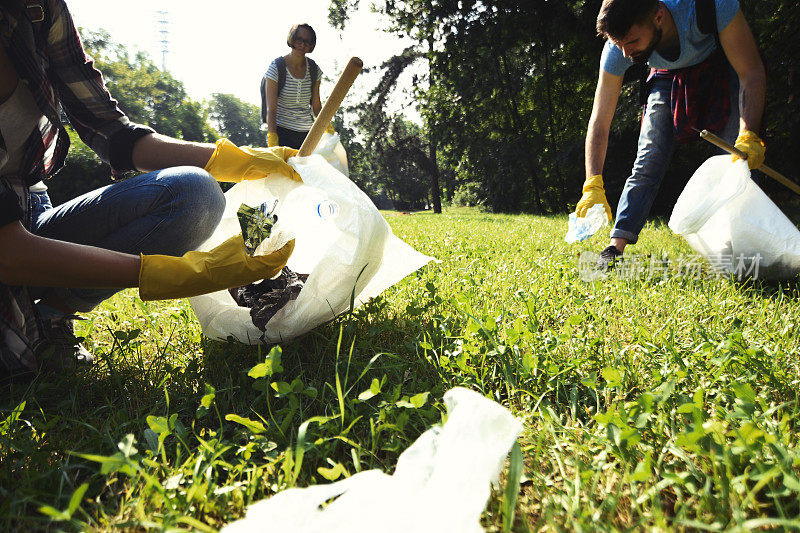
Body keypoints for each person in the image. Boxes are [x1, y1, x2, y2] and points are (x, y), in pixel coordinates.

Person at [0, 0, 301, 380]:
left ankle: (48, 316)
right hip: (8, 242)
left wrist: (235, 159)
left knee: (195, 194)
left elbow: (116, 134)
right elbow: (8, 253)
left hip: (32, 211)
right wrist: (176, 274)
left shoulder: (39, 11)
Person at [575, 0, 767, 268]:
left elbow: (751, 71)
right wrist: (592, 182)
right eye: (620, 45)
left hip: (721, 64)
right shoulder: (619, 46)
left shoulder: (712, 6)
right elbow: (600, 119)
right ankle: (614, 248)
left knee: (737, 157)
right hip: (667, 76)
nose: (626, 53)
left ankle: (753, 245)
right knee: (648, 158)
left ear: (659, 16)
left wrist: (748, 134)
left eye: (631, 42)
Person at [261, 23, 323, 150]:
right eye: (299, 39)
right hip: (281, 131)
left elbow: (316, 106)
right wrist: (272, 139)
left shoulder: (314, 70)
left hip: (307, 135)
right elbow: (271, 110)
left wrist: (326, 126)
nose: (302, 44)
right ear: (292, 39)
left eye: (307, 41)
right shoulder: (277, 68)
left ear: (311, 45)